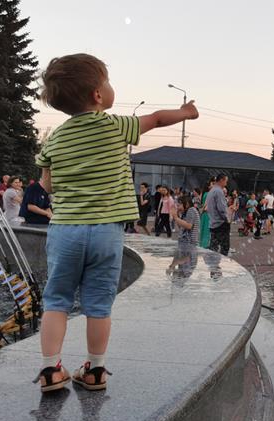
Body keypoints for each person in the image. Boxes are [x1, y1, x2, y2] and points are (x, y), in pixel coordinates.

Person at [33, 52, 198, 392]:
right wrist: (186, 112)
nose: (110, 87)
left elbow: (46, 185)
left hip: (65, 231)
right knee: (98, 304)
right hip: (106, 233)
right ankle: (95, 370)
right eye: (107, 82)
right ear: (98, 95)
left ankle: (51, 370)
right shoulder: (115, 125)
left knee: (57, 300)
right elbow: (156, 119)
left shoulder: (54, 139)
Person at [207, 174, 231, 255]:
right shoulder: (219, 191)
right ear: (221, 180)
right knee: (224, 247)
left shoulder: (211, 191)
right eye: (226, 181)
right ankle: (222, 261)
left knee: (213, 247)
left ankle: (212, 262)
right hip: (220, 224)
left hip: (213, 223)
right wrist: (227, 219)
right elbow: (222, 209)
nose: (226, 184)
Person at [199, 179, 214, 249]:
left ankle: (202, 244)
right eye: (212, 184)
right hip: (207, 214)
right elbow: (206, 205)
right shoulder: (208, 194)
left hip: (205, 214)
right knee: (206, 230)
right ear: (208, 186)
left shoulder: (205, 193)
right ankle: (205, 245)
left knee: (204, 229)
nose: (213, 185)